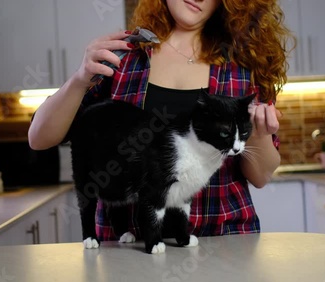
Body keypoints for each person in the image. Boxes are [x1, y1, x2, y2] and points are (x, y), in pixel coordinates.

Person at [29, 0, 293, 241]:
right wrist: (79, 78)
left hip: (223, 239)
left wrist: (257, 132)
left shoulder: (243, 66)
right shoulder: (125, 57)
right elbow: (39, 138)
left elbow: (260, 176)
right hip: (126, 248)